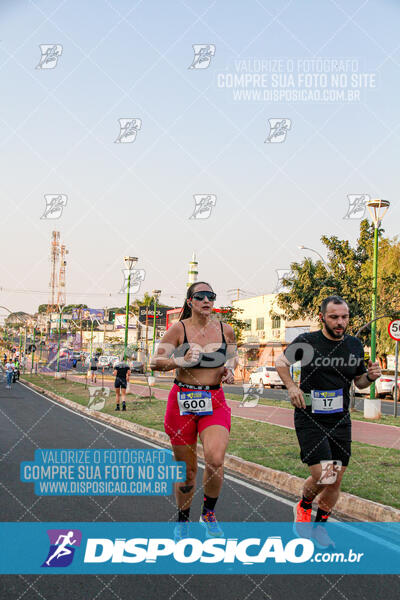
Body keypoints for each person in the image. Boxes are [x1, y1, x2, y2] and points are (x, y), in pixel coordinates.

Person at [276, 295, 381, 546]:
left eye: (344, 317)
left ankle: (321, 526)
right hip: (309, 416)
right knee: (325, 474)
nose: (340, 322)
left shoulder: (354, 345)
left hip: (340, 419)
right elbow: (281, 363)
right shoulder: (308, 341)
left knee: (337, 477)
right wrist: (292, 386)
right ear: (322, 317)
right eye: (334, 317)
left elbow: (358, 382)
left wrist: (371, 376)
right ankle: (303, 505)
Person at [151, 282, 238, 541]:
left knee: (215, 459)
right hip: (183, 400)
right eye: (200, 296)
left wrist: (230, 368)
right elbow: (156, 363)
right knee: (187, 471)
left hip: (214, 399)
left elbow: (232, 354)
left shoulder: (226, 330)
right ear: (190, 301)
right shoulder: (179, 329)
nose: (206, 300)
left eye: (210, 296)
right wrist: (180, 360)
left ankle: (208, 513)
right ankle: (183, 520)